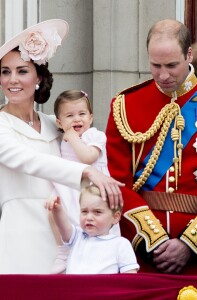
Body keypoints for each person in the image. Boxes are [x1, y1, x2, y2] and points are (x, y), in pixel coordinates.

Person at [105, 19, 197, 275]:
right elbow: (119, 184)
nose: (163, 75)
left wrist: (189, 243)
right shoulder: (125, 105)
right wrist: (153, 240)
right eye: (155, 65)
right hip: (140, 248)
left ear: (189, 55)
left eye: (172, 65)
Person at [0, 19, 124, 274]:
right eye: (5, 71)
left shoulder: (56, 125)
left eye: (22, 71)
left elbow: (90, 151)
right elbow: (27, 160)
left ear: (38, 78)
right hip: (20, 238)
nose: (12, 79)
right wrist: (86, 173)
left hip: (66, 239)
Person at [49, 89, 121, 273]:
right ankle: (63, 252)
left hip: (91, 189)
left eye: (82, 114)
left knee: (95, 222)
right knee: (54, 214)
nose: (77, 120)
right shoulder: (61, 139)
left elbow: (87, 157)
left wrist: (72, 138)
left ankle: (105, 259)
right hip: (68, 187)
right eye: (69, 116)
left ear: (91, 117)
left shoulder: (94, 136)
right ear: (59, 122)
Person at [45, 184, 139, 274]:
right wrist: (57, 209)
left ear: (115, 217)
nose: (89, 217)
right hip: (75, 289)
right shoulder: (77, 237)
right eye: (84, 211)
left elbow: (130, 278)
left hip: (103, 290)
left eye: (97, 212)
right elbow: (63, 226)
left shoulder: (121, 244)